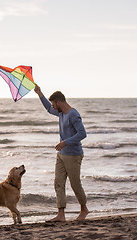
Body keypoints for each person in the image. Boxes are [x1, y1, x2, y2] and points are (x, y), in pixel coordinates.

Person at [34, 85, 89, 221]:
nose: (52, 106)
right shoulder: (61, 113)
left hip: (73, 154)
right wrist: (39, 93)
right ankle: (61, 215)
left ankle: (84, 209)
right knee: (58, 183)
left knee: (75, 183)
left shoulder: (73, 114)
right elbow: (48, 108)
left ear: (59, 103)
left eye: (54, 104)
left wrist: (65, 142)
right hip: (61, 155)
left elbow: (82, 133)